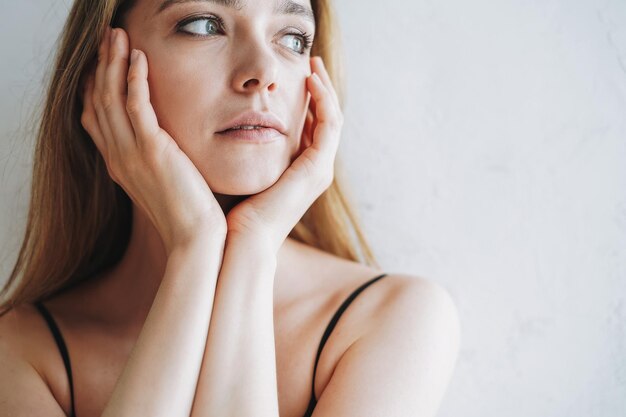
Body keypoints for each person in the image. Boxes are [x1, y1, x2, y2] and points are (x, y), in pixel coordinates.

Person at [0, 0, 461, 416]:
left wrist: (252, 247)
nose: (263, 70)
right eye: (203, 25)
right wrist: (196, 248)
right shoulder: (19, 353)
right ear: (106, 78)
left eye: (292, 37)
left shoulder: (394, 320)